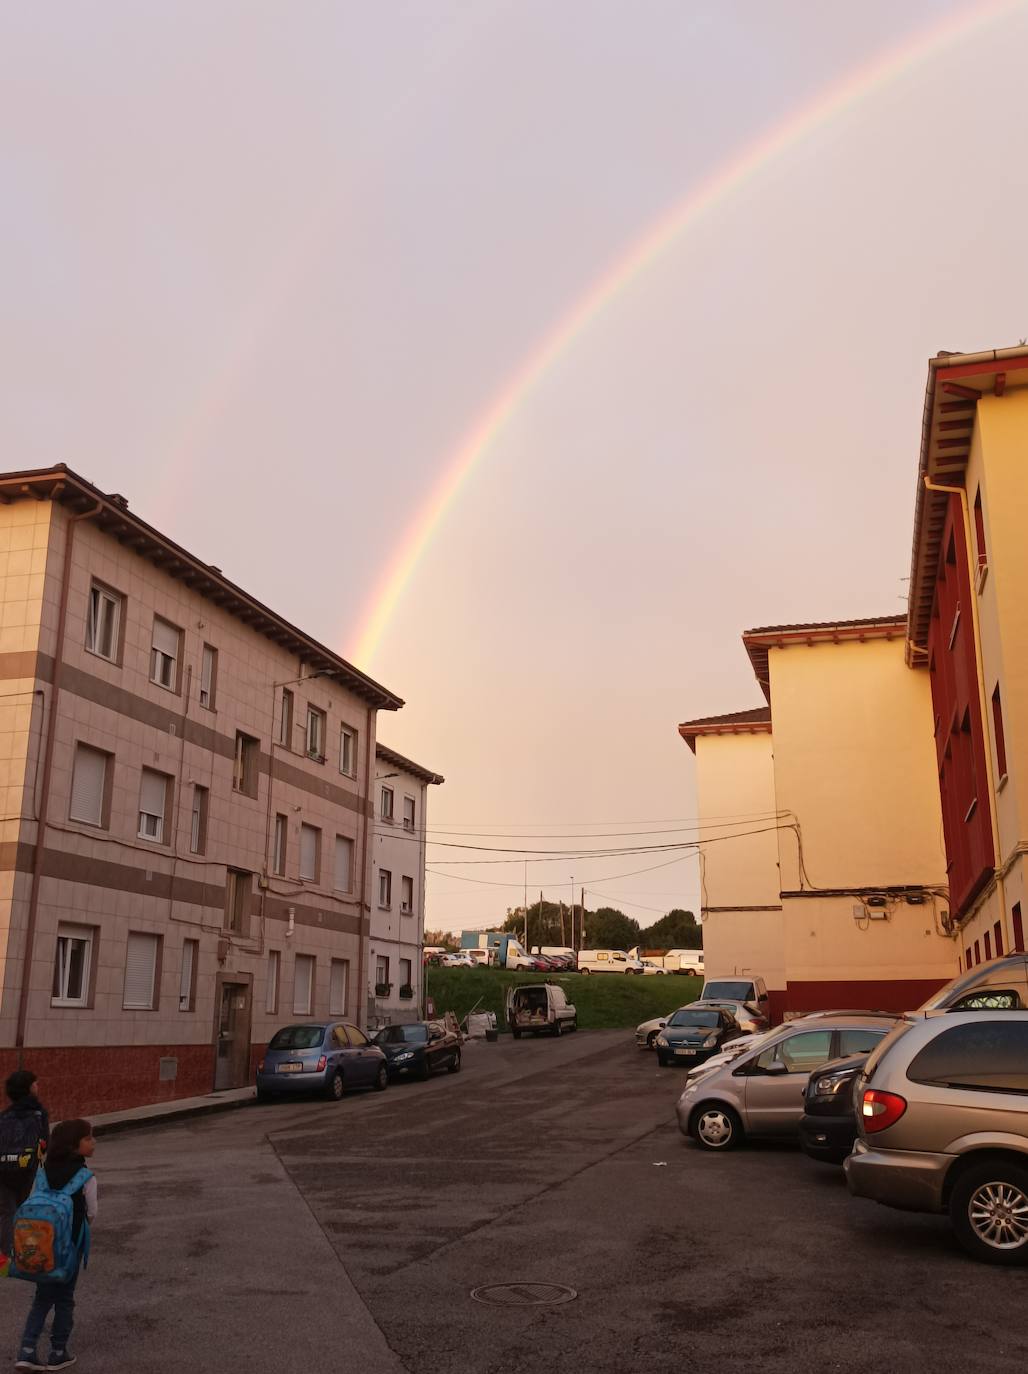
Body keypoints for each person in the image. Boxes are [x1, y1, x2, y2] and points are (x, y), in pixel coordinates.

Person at [16, 1119, 96, 1373]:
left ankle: (27, 1350)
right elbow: (92, 1213)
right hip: (69, 1249)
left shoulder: (42, 1171)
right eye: (88, 1138)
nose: (93, 1142)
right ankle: (58, 1352)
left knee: (41, 1300)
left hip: (42, 1249)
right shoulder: (86, 1176)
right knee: (64, 1301)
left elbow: (31, 1201)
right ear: (74, 1145)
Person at [0, 1071, 50, 1262]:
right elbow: (45, 1142)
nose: (38, 1088)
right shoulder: (39, 1114)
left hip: (3, 1169)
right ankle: (20, 1251)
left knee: (6, 1211)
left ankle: (5, 1256)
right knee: (20, 1208)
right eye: (36, 1085)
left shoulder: (4, 1116)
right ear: (29, 1089)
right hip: (26, 1169)